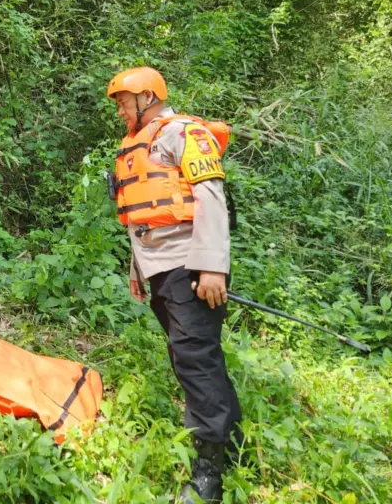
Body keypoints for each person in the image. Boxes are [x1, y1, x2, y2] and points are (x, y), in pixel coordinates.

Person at [106, 66, 242, 504]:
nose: (120, 110)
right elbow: (142, 218)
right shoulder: (135, 144)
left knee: (194, 361)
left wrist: (212, 268)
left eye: (124, 101)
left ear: (148, 96)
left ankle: (209, 476)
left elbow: (210, 197)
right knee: (195, 356)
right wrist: (136, 269)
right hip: (159, 268)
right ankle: (234, 441)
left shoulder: (184, 133)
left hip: (191, 266)